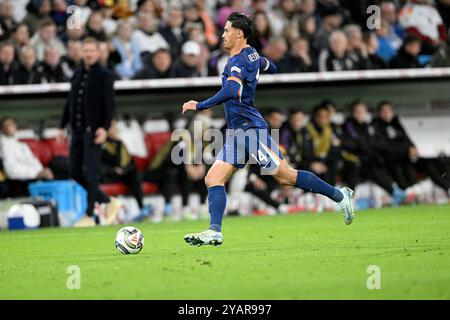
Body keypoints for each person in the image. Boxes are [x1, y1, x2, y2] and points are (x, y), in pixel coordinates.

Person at [181, 13, 355, 247]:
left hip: (251, 130)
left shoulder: (235, 62)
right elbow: (268, 64)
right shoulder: (251, 53)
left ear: (238, 33)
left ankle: (340, 195)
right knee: (213, 178)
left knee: (285, 176)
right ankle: (214, 231)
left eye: (226, 30)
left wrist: (199, 105)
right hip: (237, 134)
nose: (222, 35)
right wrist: (265, 69)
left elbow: (232, 90)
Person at [58, 37, 120, 225]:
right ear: (81, 52)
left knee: (92, 173)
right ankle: (107, 200)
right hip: (76, 131)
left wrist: (104, 128)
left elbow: (109, 105)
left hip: (93, 131)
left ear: (98, 53)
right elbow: (70, 102)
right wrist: (62, 126)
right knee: (75, 171)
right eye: (86, 51)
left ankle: (89, 214)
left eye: (92, 51)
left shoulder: (105, 75)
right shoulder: (77, 74)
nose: (89, 54)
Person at [0, 117, 54, 197]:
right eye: (7, 125)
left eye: (12, 124)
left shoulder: (22, 145)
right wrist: (36, 174)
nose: (10, 126)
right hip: (19, 182)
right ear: (2, 128)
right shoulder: (3, 145)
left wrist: (42, 171)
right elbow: (11, 172)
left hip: (35, 177)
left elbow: (33, 161)